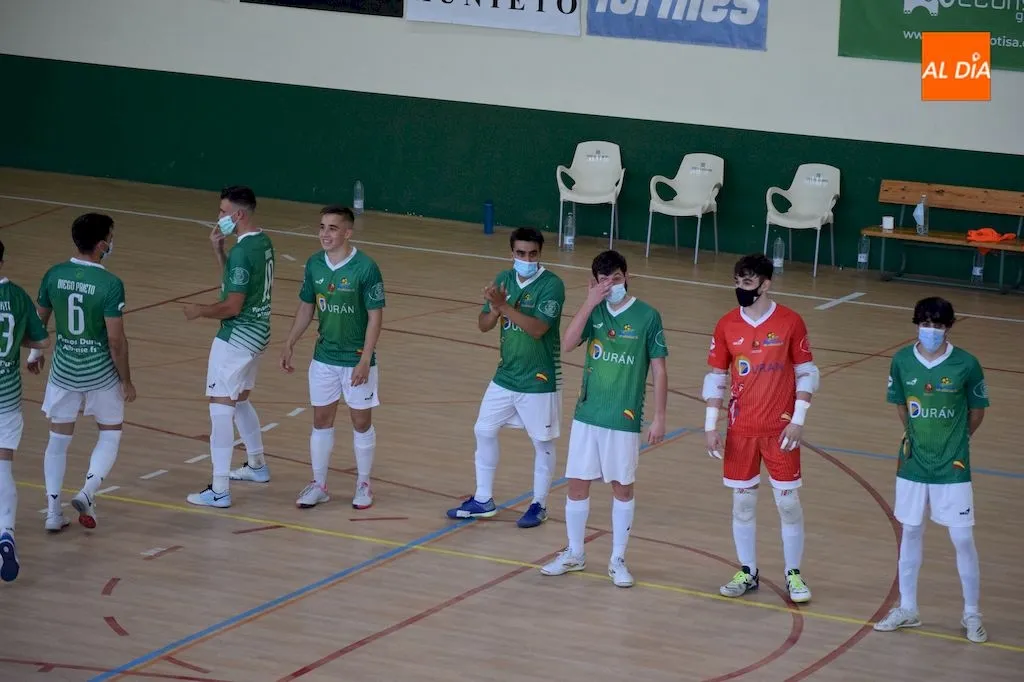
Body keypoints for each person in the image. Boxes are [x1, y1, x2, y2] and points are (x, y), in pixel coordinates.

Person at [540, 250, 667, 587]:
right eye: (604, 281)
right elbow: (566, 343)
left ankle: (617, 559)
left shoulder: (647, 316)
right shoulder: (593, 313)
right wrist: (588, 304)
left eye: (617, 279)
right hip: (588, 415)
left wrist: (659, 417)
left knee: (622, 489)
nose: (611, 285)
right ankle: (574, 553)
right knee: (577, 486)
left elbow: (659, 368)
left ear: (627, 277)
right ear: (593, 283)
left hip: (623, 420)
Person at [702, 253, 819, 603]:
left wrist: (798, 420)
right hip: (741, 432)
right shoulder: (726, 325)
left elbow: (806, 372)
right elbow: (716, 378)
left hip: (781, 432)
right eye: (738, 282)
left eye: (749, 282)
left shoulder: (790, 322)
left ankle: (793, 574)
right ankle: (747, 570)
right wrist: (710, 425)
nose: (741, 288)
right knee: (743, 503)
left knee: (788, 504)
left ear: (766, 284)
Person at [873, 296, 989, 643]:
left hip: (952, 467)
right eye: (925, 323)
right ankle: (908, 608)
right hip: (913, 464)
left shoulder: (967, 365)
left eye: (938, 325)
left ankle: (972, 614)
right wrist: (914, 439)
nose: (931, 330)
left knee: (962, 537)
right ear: (916, 324)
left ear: (948, 327)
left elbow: (977, 411)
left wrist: (956, 440)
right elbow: (902, 407)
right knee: (910, 532)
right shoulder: (902, 361)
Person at [447, 227, 565, 528]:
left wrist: (504, 306)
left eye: (532, 254)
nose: (526, 259)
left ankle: (539, 504)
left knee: (542, 442)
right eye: (520, 253)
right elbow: (484, 324)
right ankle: (483, 499)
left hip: (539, 379)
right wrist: (494, 308)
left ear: (540, 254)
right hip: (505, 376)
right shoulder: (503, 279)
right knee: (483, 430)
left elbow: (538, 329)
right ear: (512, 252)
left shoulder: (552, 285)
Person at [32, 213, 136, 532]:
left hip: (64, 372)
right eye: (112, 237)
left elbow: (39, 322)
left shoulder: (54, 274)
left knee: (57, 440)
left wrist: (36, 353)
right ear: (102, 244)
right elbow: (116, 340)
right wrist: (126, 379)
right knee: (110, 431)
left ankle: (52, 512)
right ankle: (88, 492)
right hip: (100, 373)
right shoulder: (109, 284)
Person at [280, 205, 384, 510]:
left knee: (361, 422)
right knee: (321, 421)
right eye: (322, 227)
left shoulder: (366, 268)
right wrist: (289, 342)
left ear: (348, 232)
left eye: (333, 228)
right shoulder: (314, 264)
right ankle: (319, 484)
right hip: (324, 358)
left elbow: (375, 318)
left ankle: (363, 483)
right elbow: (305, 307)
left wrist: (365, 359)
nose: (325, 233)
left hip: (355, 360)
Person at [184, 186, 275, 508]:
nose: (218, 217)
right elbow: (237, 285)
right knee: (239, 402)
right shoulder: (262, 242)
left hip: (237, 338)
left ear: (238, 214)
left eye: (222, 212)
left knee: (220, 408)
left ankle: (219, 489)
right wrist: (219, 251)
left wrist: (199, 311)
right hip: (259, 334)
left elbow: (232, 305)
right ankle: (257, 465)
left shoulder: (243, 251)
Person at [0, 240, 50, 580]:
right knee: (3, 467)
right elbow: (40, 340)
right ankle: (6, 533)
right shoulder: (16, 296)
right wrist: (30, 352)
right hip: (6, 397)